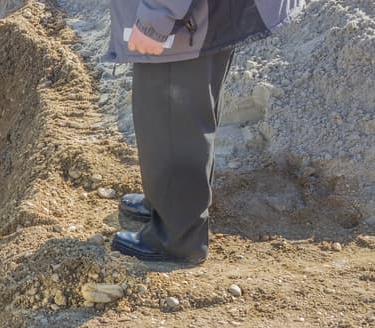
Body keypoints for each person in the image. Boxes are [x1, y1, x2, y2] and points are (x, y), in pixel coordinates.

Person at [107, 0, 302, 264]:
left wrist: (157, 15)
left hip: (185, 15)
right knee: (172, 112)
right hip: (196, 12)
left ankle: (176, 239)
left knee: (172, 113)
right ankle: (165, 201)